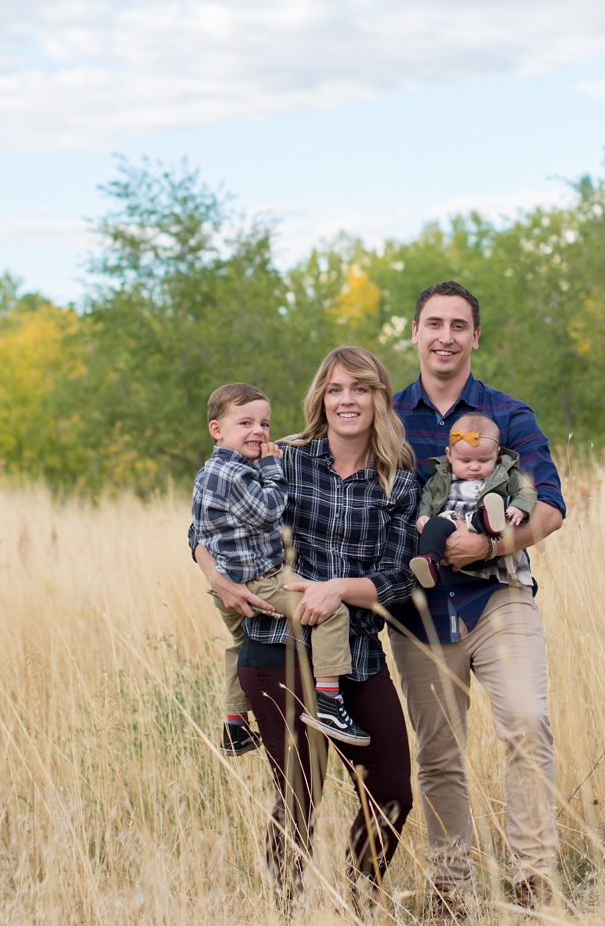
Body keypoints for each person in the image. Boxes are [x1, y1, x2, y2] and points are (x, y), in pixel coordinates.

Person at [194, 347, 420, 903]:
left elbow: (400, 578)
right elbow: (206, 520)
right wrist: (216, 577)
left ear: (378, 399)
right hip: (276, 646)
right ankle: (285, 909)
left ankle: (360, 899)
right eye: (337, 388)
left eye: (361, 389)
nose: (348, 400)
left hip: (358, 655)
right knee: (299, 793)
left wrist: (338, 589)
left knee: (391, 793)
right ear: (321, 396)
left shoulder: (398, 479)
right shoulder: (283, 458)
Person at [390, 280, 566, 913]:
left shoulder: (508, 415)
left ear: (475, 337)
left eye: (458, 325)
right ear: (414, 332)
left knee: (526, 719)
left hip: (499, 596)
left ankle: (532, 878)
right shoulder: (387, 415)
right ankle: (451, 885)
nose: (445, 336)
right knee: (438, 751)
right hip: (419, 610)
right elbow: (324, 463)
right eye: (433, 323)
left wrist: (487, 547)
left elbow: (549, 507)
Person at [188, 382, 370, 752]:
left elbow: (202, 530)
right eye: (246, 424)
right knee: (331, 612)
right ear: (217, 430)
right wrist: (272, 465)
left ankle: (235, 725)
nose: (259, 431)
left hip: (230, 585)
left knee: (240, 646)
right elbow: (270, 509)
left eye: (265, 424)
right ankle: (329, 701)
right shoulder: (234, 473)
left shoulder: (212, 471)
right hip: (259, 581)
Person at [410, 409, 536, 591]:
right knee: (434, 526)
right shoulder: (441, 477)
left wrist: (519, 507)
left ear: (497, 454)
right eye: (466, 460)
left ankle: (492, 521)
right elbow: (428, 496)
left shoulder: (505, 475)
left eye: (484, 460)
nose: (475, 467)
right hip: (451, 525)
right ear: (449, 455)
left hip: (483, 538)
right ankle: (430, 562)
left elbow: (527, 491)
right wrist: (424, 515)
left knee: (485, 514)